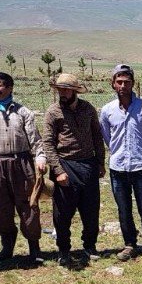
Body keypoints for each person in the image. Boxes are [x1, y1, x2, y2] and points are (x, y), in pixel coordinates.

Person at [0, 71, 46, 263]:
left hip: (21, 164)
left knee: (28, 205)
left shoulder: (24, 113)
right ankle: (7, 248)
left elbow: (36, 141)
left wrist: (40, 157)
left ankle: (34, 249)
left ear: (10, 87)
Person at [100, 64, 142, 267]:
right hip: (117, 168)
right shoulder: (107, 110)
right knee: (123, 209)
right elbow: (108, 138)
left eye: (127, 82)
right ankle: (129, 244)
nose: (123, 85)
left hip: (140, 166)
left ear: (133, 83)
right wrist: (119, 152)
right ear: (113, 84)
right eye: (119, 82)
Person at [42, 73, 105, 267]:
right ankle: (63, 250)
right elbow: (48, 143)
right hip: (65, 165)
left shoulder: (88, 109)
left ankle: (90, 246)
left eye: (66, 89)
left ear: (75, 91)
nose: (63, 92)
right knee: (62, 213)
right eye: (60, 89)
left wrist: (100, 162)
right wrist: (58, 170)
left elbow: (97, 137)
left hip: (88, 164)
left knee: (90, 210)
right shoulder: (53, 112)